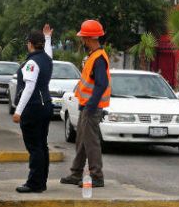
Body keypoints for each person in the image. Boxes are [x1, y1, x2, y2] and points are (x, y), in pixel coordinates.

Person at [60, 19, 112, 188]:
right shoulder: (93, 56)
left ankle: (97, 176)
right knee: (81, 141)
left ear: (89, 38)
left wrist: (90, 105)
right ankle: (76, 173)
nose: (81, 40)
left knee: (91, 143)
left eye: (83, 37)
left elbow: (101, 84)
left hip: (92, 107)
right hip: (87, 106)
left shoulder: (98, 58)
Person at [11, 24, 54, 193]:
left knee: (35, 147)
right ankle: (41, 182)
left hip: (33, 108)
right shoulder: (46, 59)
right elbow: (49, 53)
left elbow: (29, 88)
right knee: (42, 145)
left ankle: (34, 183)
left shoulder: (31, 63)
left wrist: (18, 111)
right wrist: (48, 37)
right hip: (46, 106)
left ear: (30, 44)